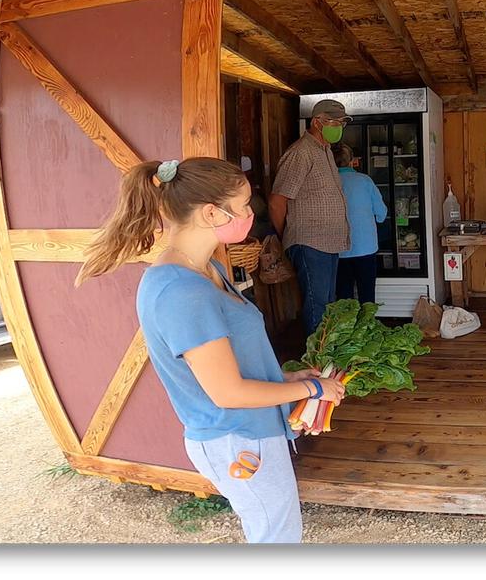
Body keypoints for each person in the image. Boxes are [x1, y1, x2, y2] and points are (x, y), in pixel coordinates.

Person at [75, 157, 346, 543]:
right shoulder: (182, 291)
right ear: (211, 213)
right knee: (278, 538)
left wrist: (286, 378)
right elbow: (228, 393)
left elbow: (226, 366)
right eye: (244, 206)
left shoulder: (206, 270)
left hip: (249, 432)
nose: (250, 214)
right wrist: (315, 389)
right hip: (238, 440)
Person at [269, 99, 352, 337]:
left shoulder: (325, 151)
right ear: (317, 122)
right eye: (334, 122)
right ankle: (317, 356)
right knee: (318, 304)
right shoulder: (301, 153)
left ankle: (326, 350)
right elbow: (277, 201)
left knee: (328, 302)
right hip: (310, 242)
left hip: (329, 242)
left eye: (342, 123)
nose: (339, 127)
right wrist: (288, 235)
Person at [333, 143, 387, 304]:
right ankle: (367, 319)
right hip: (366, 247)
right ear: (352, 161)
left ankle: (347, 321)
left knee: (344, 299)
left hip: (338, 250)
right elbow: (381, 213)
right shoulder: (365, 181)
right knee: (367, 297)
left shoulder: (329, 182)